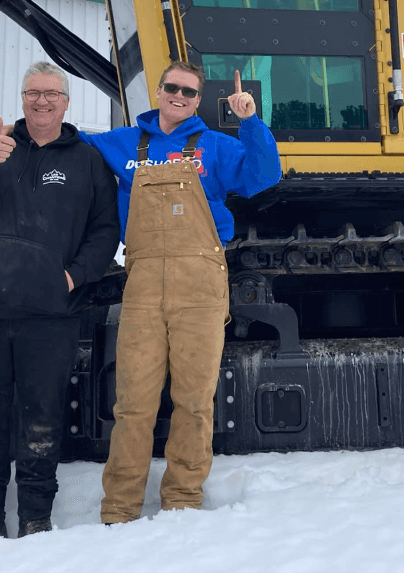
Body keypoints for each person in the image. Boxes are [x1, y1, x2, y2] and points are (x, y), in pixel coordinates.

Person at [80, 61, 281, 524]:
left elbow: (262, 176)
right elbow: (66, 148)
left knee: (193, 400)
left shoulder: (216, 145)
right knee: (133, 401)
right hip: (144, 283)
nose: (178, 96)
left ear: (197, 100)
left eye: (189, 92)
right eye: (172, 87)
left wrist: (249, 120)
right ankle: (120, 505)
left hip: (200, 284)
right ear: (158, 90)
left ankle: (184, 497)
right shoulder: (122, 142)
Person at [0, 61, 120, 542]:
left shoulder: (87, 160)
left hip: (50, 315)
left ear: (67, 102)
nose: (42, 101)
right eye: (33, 93)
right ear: (22, 99)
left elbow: (106, 230)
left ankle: (35, 516)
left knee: (43, 418)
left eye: (51, 93)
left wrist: (75, 276)